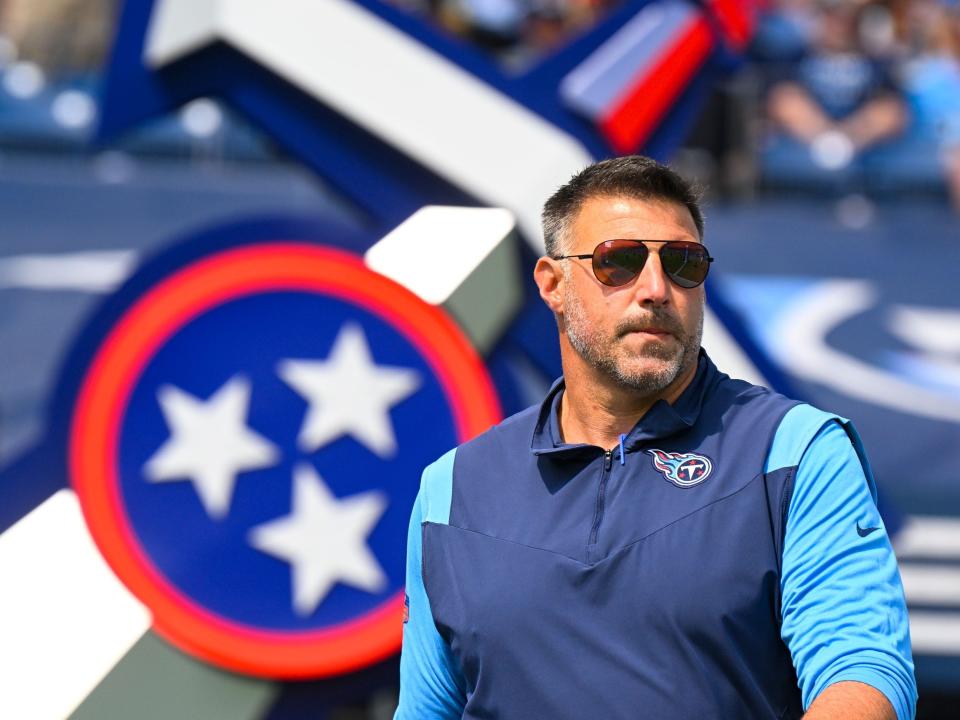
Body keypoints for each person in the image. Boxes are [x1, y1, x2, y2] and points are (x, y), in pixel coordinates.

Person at [394, 156, 916, 719]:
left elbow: (865, 675)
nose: (656, 289)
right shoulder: (453, 487)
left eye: (683, 263)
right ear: (552, 284)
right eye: (618, 262)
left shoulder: (795, 450)